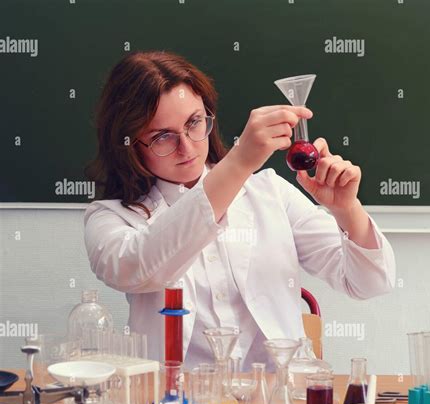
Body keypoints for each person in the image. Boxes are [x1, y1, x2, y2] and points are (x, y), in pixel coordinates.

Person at [84, 51, 396, 371]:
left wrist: (347, 210)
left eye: (194, 123)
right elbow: (138, 266)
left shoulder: (269, 193)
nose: (188, 146)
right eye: (162, 136)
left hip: (279, 400)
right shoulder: (110, 218)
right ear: (129, 145)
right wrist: (239, 161)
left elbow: (370, 283)